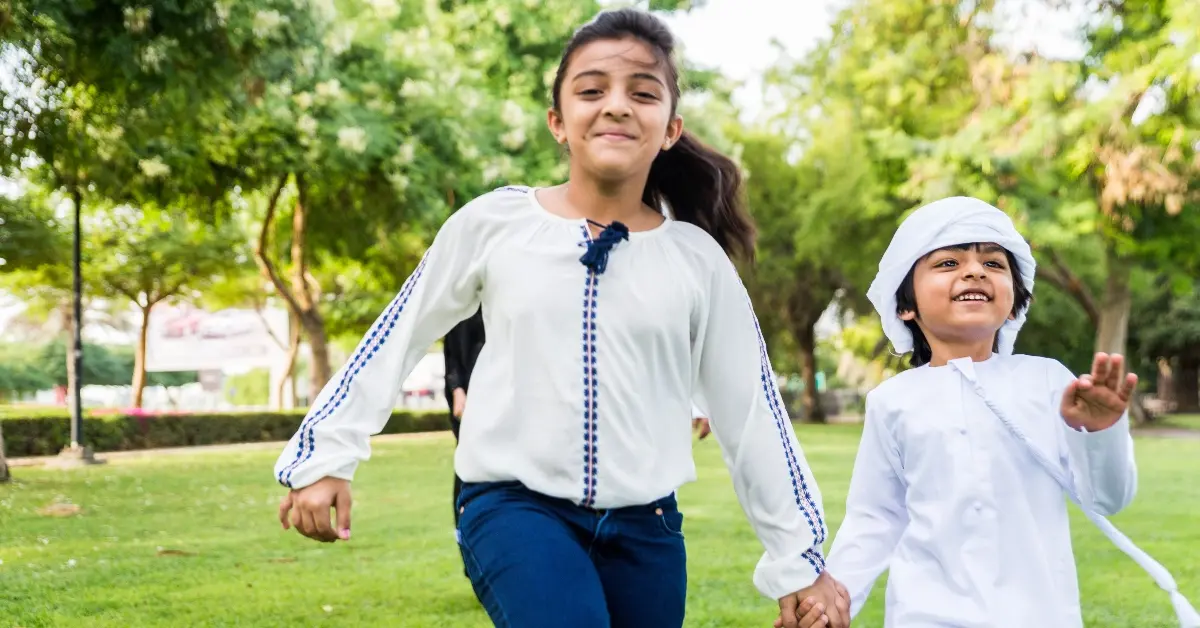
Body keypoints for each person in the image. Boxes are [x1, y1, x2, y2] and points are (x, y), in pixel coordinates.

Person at [274, 7, 850, 628]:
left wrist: (799, 560)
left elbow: (752, 410)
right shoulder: (495, 224)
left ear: (670, 128)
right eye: (592, 90)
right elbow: (398, 332)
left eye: (643, 93)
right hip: (513, 508)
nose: (618, 105)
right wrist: (326, 456)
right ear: (558, 121)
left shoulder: (697, 261)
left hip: (648, 526)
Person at [792, 197, 1199, 627]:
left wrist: (1100, 433)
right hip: (925, 615)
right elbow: (875, 517)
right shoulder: (892, 400)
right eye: (948, 263)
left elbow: (1108, 498)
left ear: (1016, 298)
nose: (974, 271)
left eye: (993, 263)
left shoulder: (1047, 381)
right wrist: (834, 602)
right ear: (905, 305)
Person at [443, 306, 485, 527]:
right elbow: (451, 350)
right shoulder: (463, 302)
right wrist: (456, 388)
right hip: (470, 393)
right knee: (467, 464)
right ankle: (464, 531)